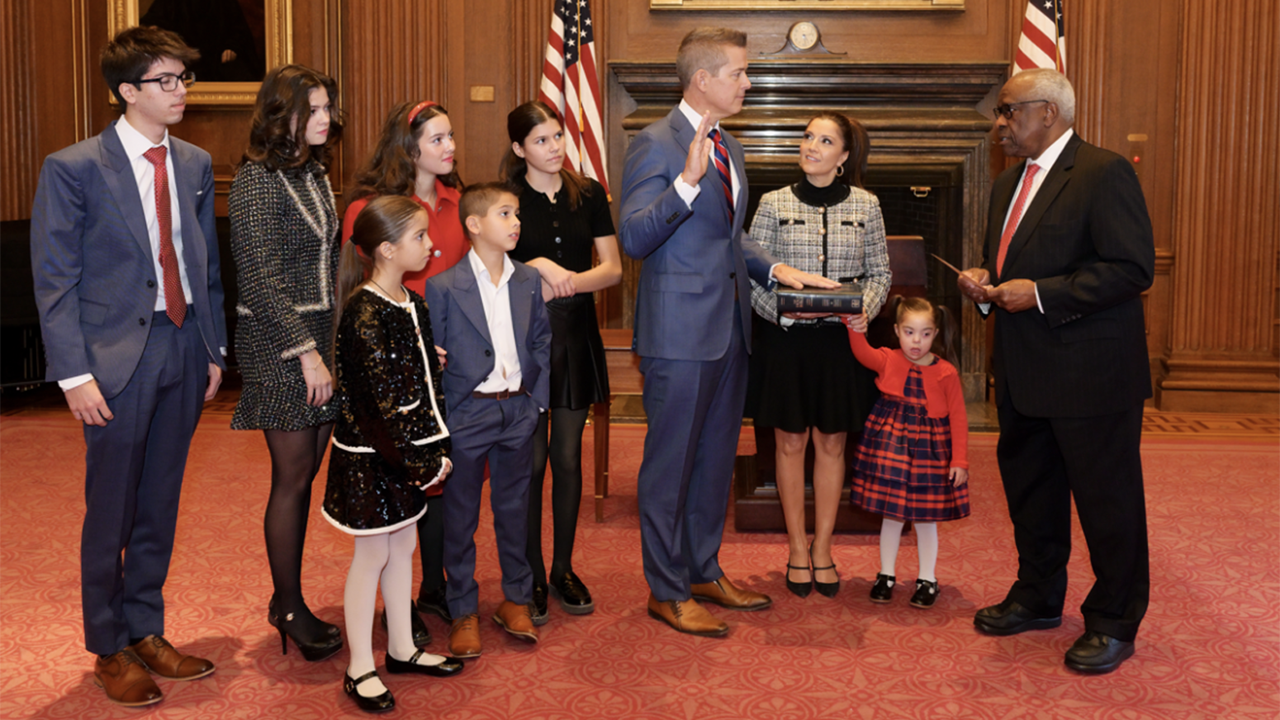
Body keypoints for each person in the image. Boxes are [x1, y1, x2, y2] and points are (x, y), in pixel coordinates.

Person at [618, 26, 838, 637]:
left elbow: (728, 237)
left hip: (730, 333)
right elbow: (635, 236)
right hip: (678, 336)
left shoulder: (729, 146)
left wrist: (777, 268)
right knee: (670, 467)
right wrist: (685, 184)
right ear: (703, 80)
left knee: (714, 462)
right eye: (740, 72)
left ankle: (701, 568)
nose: (749, 82)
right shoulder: (656, 144)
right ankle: (664, 589)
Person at [30, 26, 225, 707]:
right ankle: (108, 646)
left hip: (181, 346)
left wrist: (212, 348)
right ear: (126, 91)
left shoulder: (196, 163)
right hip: (113, 362)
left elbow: (205, 266)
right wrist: (73, 375)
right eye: (165, 81)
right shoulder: (74, 167)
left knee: (160, 502)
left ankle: (146, 628)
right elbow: (55, 281)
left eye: (182, 79)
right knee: (110, 510)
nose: (179, 92)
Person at [957, 68, 1154, 674]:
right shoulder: (1006, 184)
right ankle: (1038, 596)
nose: (1000, 125)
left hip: (1090, 373)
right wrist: (986, 285)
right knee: (1032, 493)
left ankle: (1115, 619)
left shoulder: (1103, 171)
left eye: (1009, 111)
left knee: (1106, 501)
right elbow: (1012, 261)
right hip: (1023, 370)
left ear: (1048, 112)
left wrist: (1039, 293)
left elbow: (1130, 269)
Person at [324, 195, 464, 713]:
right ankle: (360, 665)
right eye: (420, 238)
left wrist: (438, 445)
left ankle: (402, 647)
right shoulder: (364, 313)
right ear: (385, 249)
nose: (431, 245)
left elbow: (425, 388)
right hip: (374, 457)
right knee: (372, 555)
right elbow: (379, 409)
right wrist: (421, 464)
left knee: (402, 547)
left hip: (407, 453)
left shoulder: (411, 303)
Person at [745, 112, 891, 599]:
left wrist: (859, 313)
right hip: (786, 341)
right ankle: (794, 547)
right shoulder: (772, 203)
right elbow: (750, 275)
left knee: (831, 443)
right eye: (807, 136)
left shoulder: (867, 206)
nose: (811, 146)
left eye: (825, 140)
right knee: (789, 443)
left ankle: (823, 547)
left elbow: (879, 275)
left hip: (840, 344)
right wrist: (785, 314)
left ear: (844, 157)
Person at [228, 64, 345, 661]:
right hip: (280, 346)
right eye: (313, 110)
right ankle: (290, 606)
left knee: (305, 477)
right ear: (281, 115)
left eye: (327, 108)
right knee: (292, 481)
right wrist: (306, 355)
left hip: (320, 339)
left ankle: (288, 599)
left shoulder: (314, 173)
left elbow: (326, 266)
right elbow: (261, 277)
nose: (325, 119)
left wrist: (331, 346)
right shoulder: (256, 181)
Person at [342, 99, 467, 643]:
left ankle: (432, 590)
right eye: (438, 138)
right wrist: (414, 354)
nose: (451, 147)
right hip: (392, 371)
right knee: (393, 505)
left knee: (436, 484)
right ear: (409, 146)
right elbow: (361, 293)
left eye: (451, 137)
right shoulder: (371, 212)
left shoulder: (457, 203)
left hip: (445, 357)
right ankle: (392, 623)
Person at [501, 100, 623, 622]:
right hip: (524, 341)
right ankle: (527, 572)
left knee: (567, 459)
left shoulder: (589, 193)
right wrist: (541, 268)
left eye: (557, 137)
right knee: (528, 464)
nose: (554, 148)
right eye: (541, 141)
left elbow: (613, 269)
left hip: (575, 336)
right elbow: (492, 268)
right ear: (518, 149)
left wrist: (565, 281)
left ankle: (563, 568)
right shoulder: (505, 200)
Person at [423, 183, 552, 658]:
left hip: (517, 409)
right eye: (505, 213)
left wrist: (536, 402)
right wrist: (448, 414)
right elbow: (433, 357)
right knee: (460, 517)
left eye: (517, 213)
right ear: (474, 225)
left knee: (515, 509)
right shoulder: (443, 287)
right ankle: (462, 608)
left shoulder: (528, 281)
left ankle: (515, 598)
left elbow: (541, 342)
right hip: (468, 413)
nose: (516, 222)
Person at [842, 298, 969, 609]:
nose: (917, 341)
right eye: (910, 332)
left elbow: (959, 417)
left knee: (926, 518)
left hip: (930, 450)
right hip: (891, 447)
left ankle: (928, 578)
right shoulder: (887, 359)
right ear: (897, 331)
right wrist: (852, 322)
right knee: (892, 514)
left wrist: (960, 460)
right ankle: (886, 574)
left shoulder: (947, 373)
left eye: (926, 334)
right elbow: (861, 352)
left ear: (936, 333)